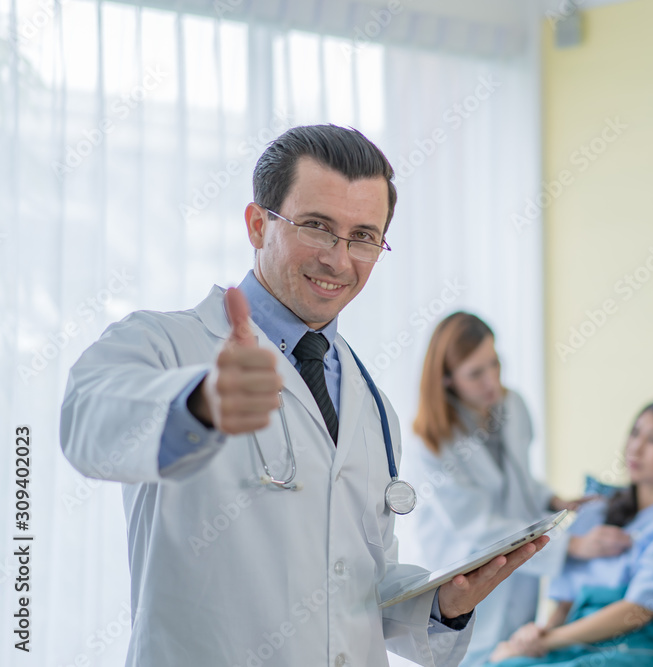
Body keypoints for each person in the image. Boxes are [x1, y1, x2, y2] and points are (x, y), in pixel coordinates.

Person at [59, 124, 547, 667]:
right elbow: (88, 427)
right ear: (257, 223)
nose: (339, 260)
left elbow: (359, 581)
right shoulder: (166, 343)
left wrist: (441, 606)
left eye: (363, 236)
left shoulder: (372, 404)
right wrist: (198, 404)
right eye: (316, 227)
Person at [404, 312, 629, 665]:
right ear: (447, 379)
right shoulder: (432, 442)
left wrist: (553, 499)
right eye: (476, 374)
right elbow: (479, 527)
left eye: (494, 364)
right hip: (465, 574)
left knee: (513, 654)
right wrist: (573, 545)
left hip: (518, 574)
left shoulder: (513, 406)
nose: (492, 381)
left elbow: (520, 480)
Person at [488, 397, 653, 667]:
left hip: (641, 649)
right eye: (635, 434)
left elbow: (639, 610)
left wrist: (547, 641)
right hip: (571, 643)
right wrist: (533, 639)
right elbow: (565, 600)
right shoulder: (597, 512)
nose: (636, 448)